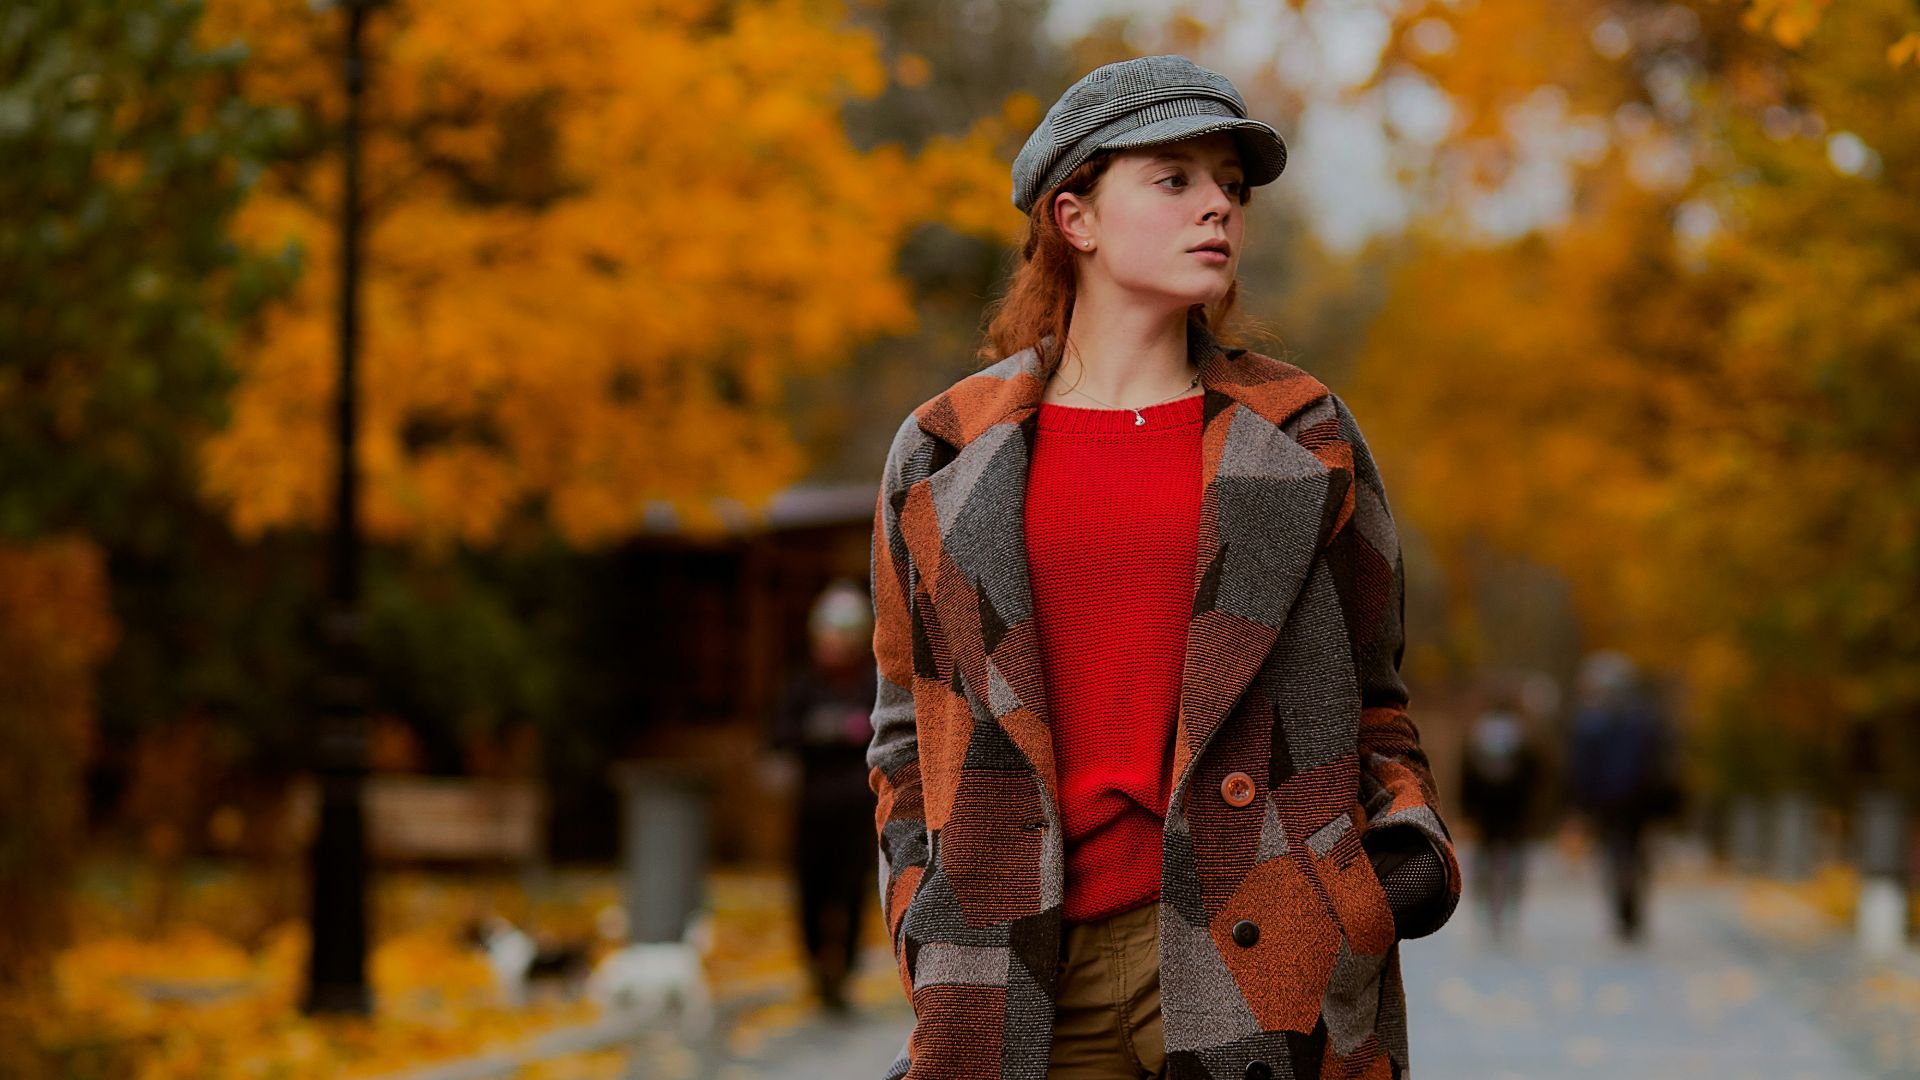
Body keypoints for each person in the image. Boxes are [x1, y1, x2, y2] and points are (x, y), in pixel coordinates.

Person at [863, 54, 1459, 1080]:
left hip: (1265, 955)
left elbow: (1377, 701)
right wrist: (923, 908)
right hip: (1017, 975)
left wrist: (1380, 873)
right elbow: (902, 731)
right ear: (1076, 217)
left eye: (1228, 184)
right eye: (1173, 179)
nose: (1216, 205)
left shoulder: (1300, 435)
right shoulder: (946, 451)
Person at [769, 578, 879, 1014]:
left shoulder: (871, 685)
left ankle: (844, 972)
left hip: (857, 809)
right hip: (813, 808)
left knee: (851, 892)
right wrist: (821, 733)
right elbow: (779, 736)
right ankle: (816, 966)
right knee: (811, 891)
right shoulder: (803, 686)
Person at [1565, 650, 1680, 943]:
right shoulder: (1645, 717)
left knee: (1614, 851)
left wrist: (1580, 802)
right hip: (1639, 797)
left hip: (1609, 799)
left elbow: (1582, 766)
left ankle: (1624, 903)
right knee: (1635, 850)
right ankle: (1632, 903)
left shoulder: (1591, 721)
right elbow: (1662, 759)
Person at [1458, 693, 1544, 943]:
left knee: (1484, 857)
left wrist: (1467, 808)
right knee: (1514, 858)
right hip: (1514, 808)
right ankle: (1510, 907)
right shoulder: (1522, 735)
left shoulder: (1477, 734)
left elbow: (1467, 775)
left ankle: (1486, 909)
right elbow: (1535, 774)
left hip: (1485, 809)